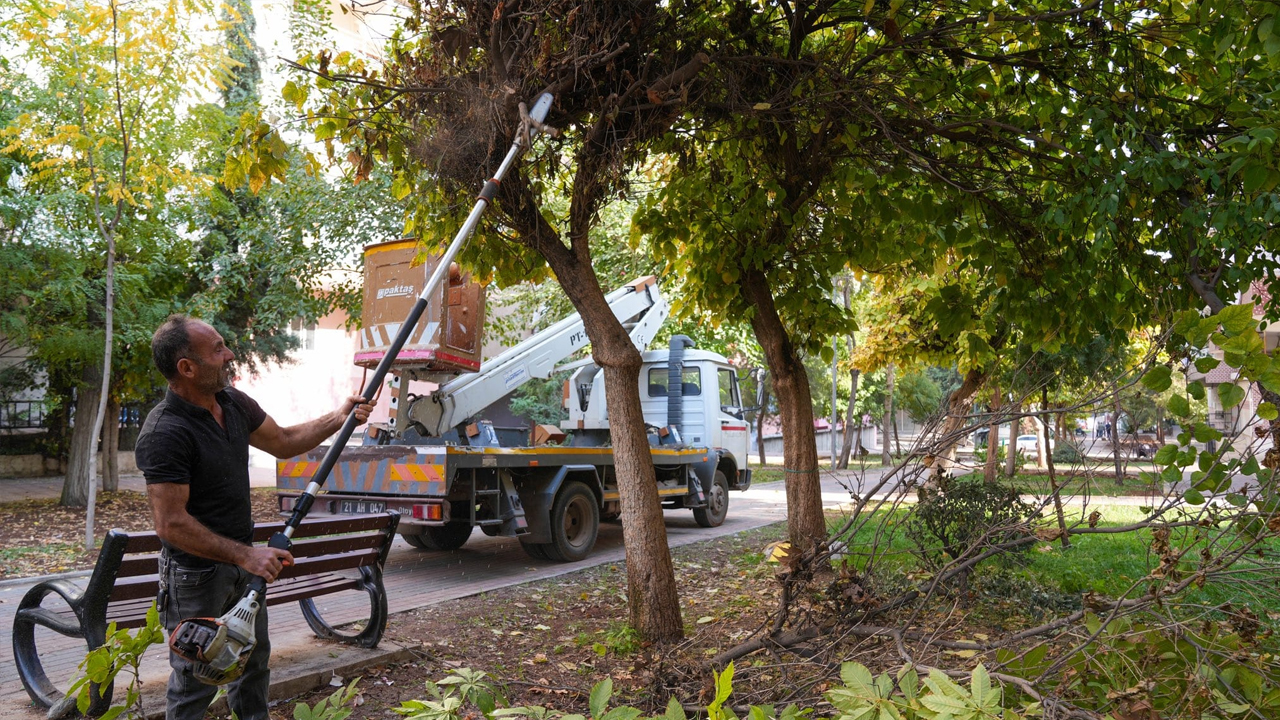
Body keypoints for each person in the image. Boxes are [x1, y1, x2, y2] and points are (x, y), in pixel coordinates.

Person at [135, 315, 372, 720]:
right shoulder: (165, 432)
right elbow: (170, 523)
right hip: (196, 579)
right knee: (194, 682)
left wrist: (340, 416)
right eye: (217, 351)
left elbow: (282, 441)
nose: (229, 355)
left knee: (251, 668)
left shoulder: (232, 402)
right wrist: (246, 556)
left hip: (243, 570)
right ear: (187, 368)